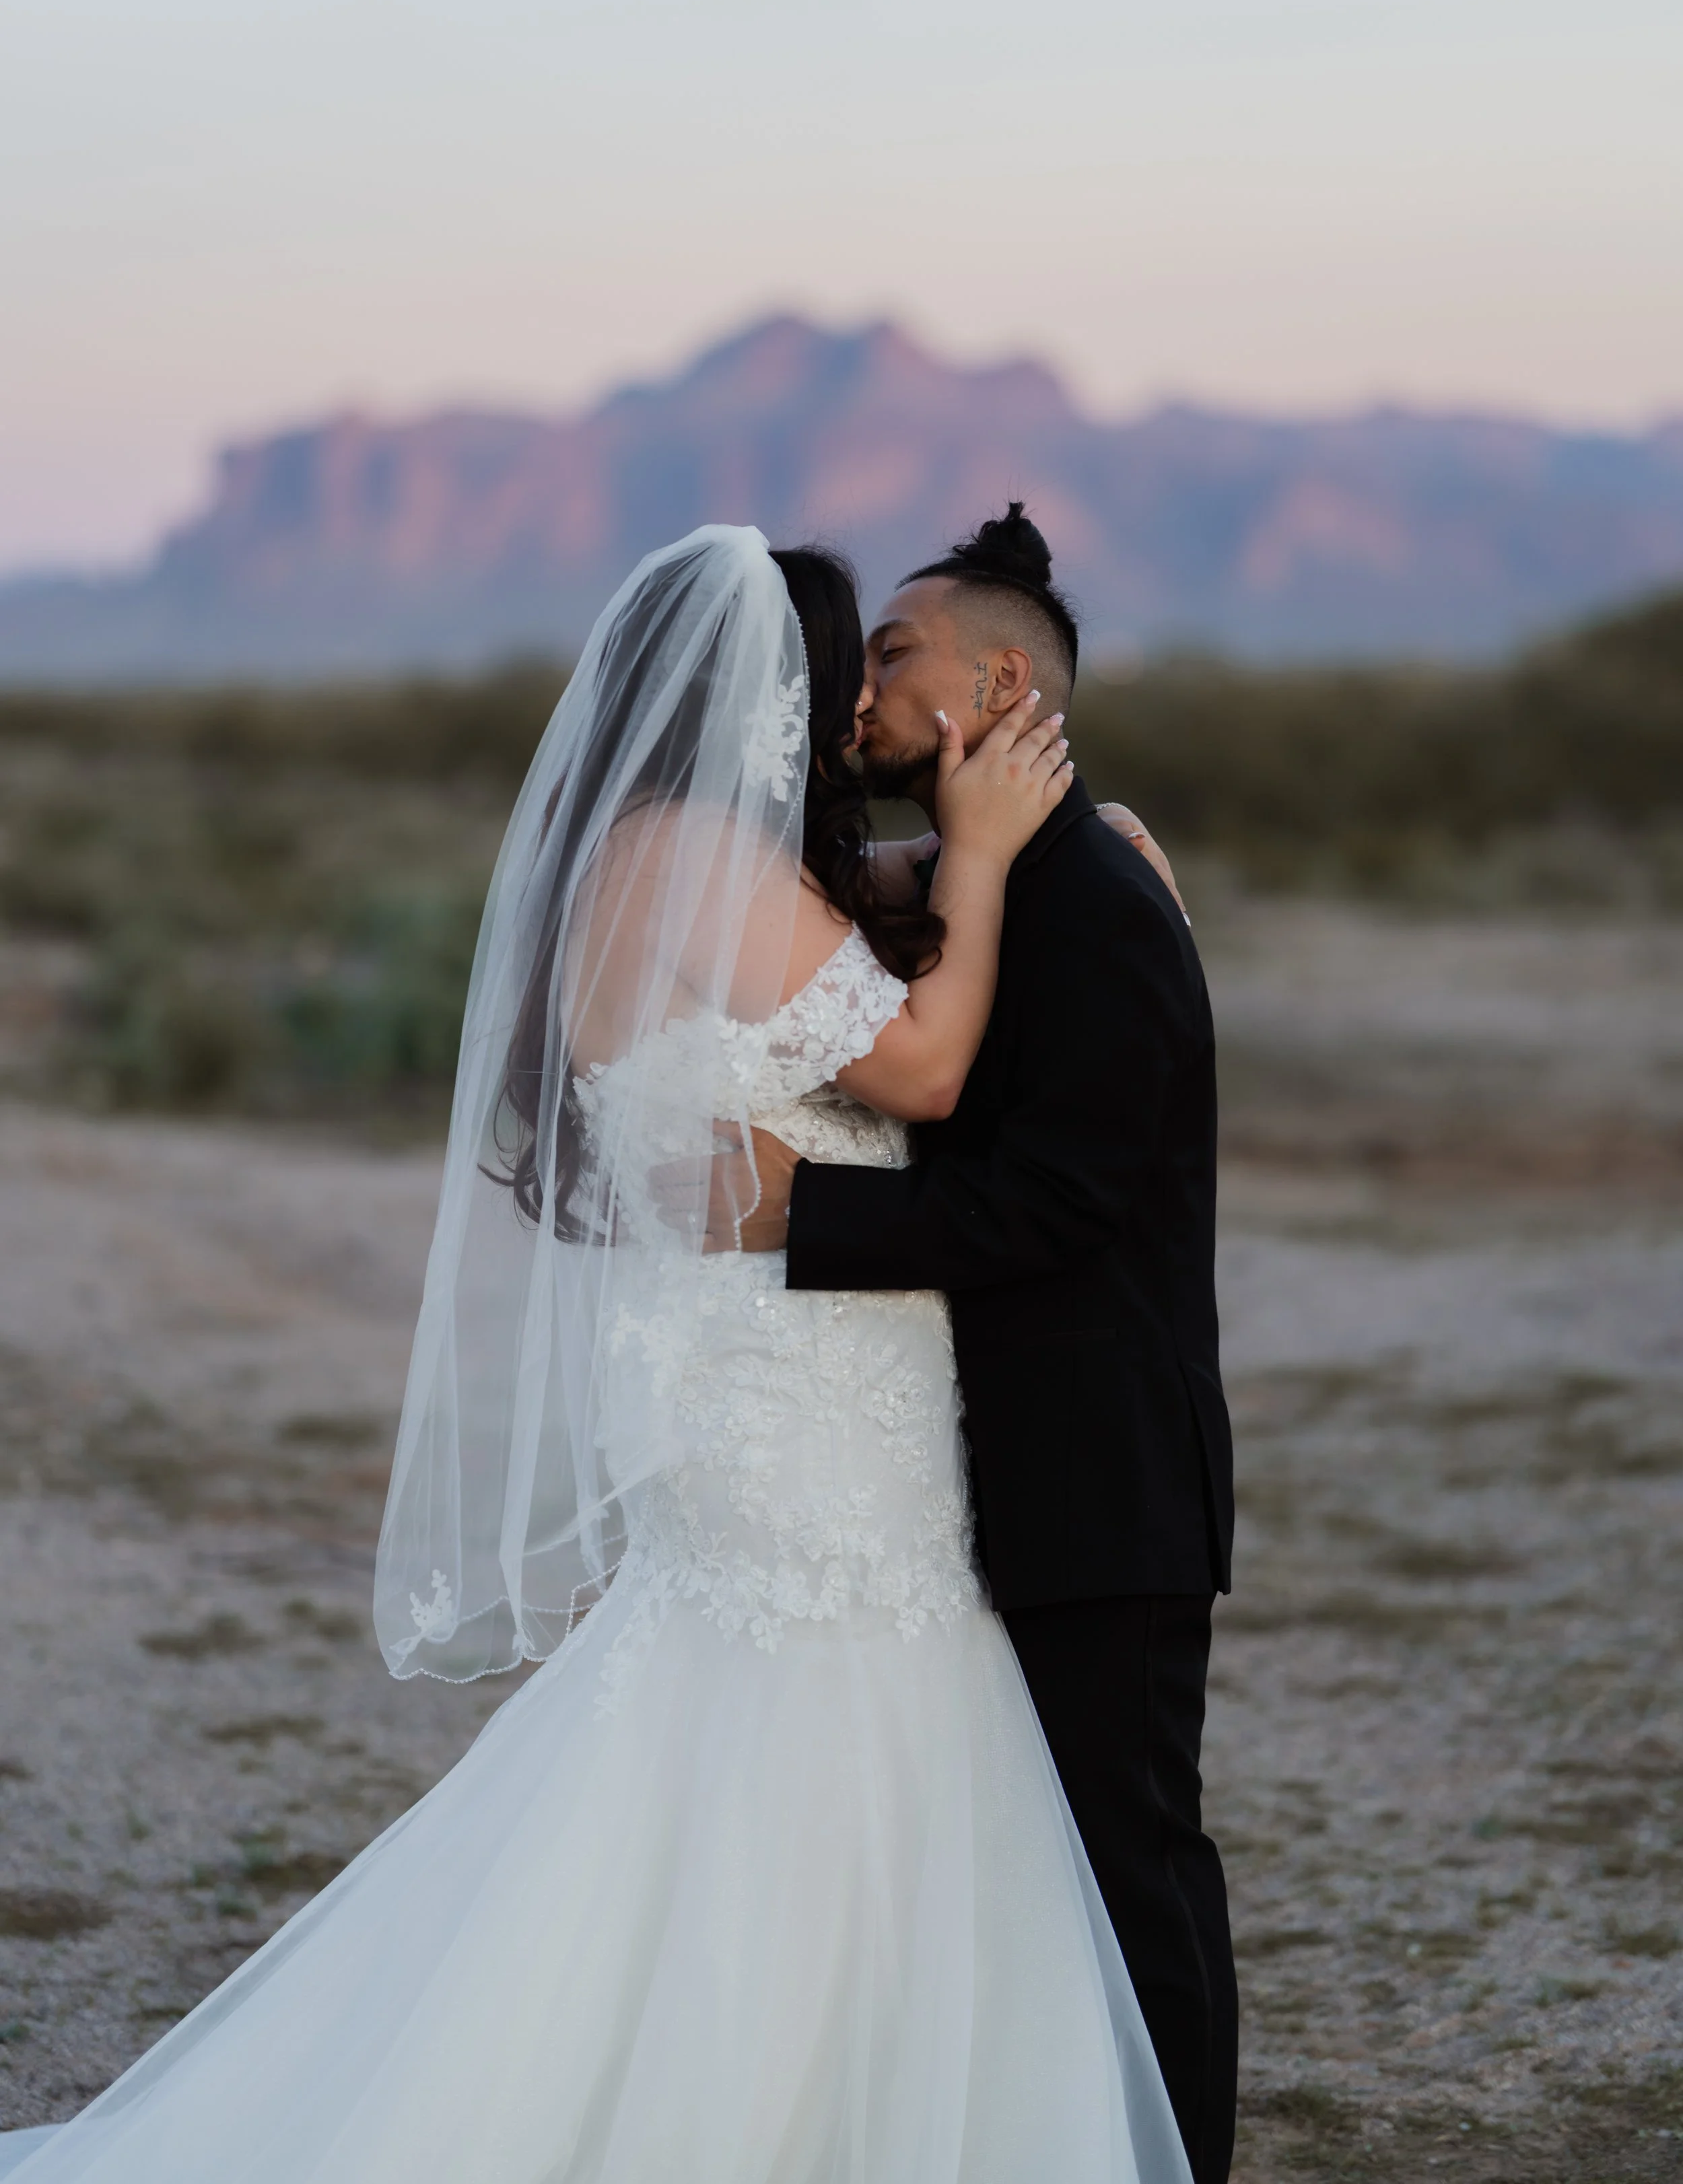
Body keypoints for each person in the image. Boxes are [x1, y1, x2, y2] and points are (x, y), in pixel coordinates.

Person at [5, 525, 1191, 2184]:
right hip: (796, 1389)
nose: (855, 700)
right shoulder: (703, 858)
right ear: (761, 683)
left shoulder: (656, 855)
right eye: (842, 664)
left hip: (759, 1370)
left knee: (748, 1719)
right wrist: (989, 857)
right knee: (829, 1703)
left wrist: (1035, 851)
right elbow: (917, 1068)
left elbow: (840, 931)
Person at [709, 505, 1238, 2184]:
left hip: (1101, 1477)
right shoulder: (1009, 877)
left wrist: (803, 1215)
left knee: (1125, 1867)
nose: (854, 692)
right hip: (980, 1460)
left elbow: (1059, 1204)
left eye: (890, 657)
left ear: (998, 683)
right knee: (1025, 1867)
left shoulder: (1087, 902)